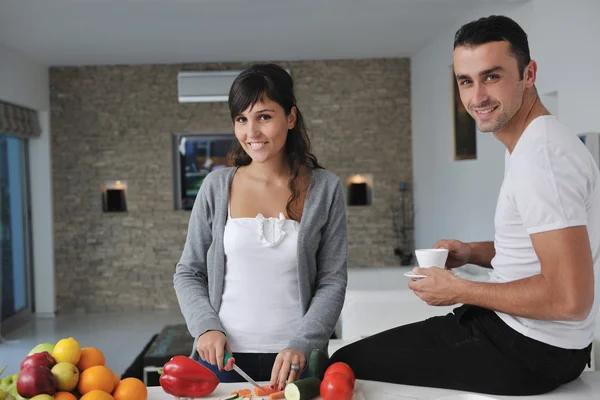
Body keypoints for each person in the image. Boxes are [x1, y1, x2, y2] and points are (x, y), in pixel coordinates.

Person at [331, 15, 600, 396]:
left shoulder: (543, 157)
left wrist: (459, 290)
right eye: (465, 81)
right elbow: (541, 255)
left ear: (529, 74)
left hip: (526, 349)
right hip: (538, 341)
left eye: (492, 76)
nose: (477, 98)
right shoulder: (535, 142)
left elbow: (570, 299)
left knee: (342, 365)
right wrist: (473, 252)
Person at [174, 63, 348, 391]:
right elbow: (189, 272)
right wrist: (205, 327)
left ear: (291, 118)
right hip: (222, 360)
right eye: (242, 119)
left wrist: (302, 344)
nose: (251, 133)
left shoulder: (326, 188)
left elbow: (332, 280)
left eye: (264, 117)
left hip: (297, 361)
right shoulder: (215, 186)